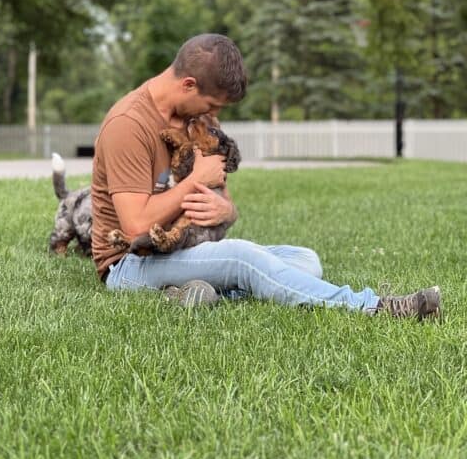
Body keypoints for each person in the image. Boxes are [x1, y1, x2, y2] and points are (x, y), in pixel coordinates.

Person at [91, 34, 441, 318]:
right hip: (132, 264)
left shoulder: (199, 121)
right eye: (212, 105)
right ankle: (375, 306)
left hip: (191, 246)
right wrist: (194, 180)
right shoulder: (128, 125)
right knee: (244, 258)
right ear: (188, 84)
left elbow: (224, 201)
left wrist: (226, 212)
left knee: (306, 260)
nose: (214, 116)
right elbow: (135, 226)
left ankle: (193, 292)